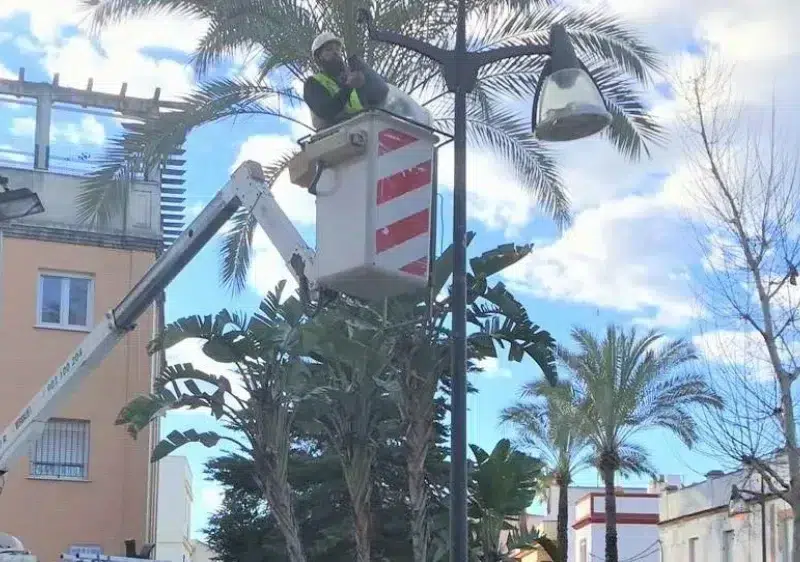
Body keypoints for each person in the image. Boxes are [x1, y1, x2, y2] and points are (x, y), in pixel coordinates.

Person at [303, 31, 387, 130]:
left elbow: (381, 94)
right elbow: (325, 111)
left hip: (363, 132)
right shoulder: (312, 83)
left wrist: (366, 72)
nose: (336, 53)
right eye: (329, 50)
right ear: (318, 58)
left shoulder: (351, 80)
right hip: (334, 139)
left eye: (338, 49)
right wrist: (348, 87)